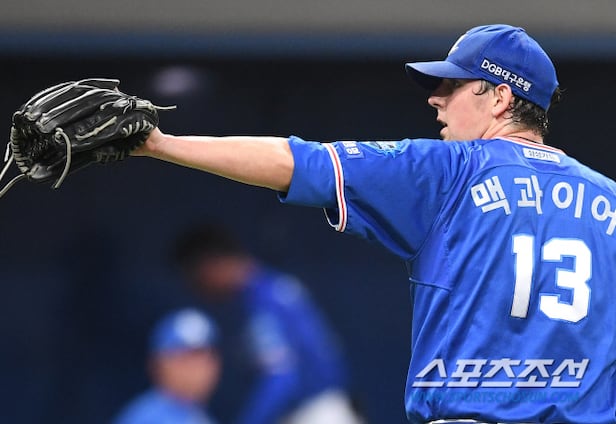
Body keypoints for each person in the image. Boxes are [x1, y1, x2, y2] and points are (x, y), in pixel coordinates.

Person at [129, 24, 616, 423]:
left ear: (500, 97)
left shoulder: (449, 171)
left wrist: (159, 144)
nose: (436, 99)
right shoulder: (608, 198)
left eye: (453, 86)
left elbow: (298, 161)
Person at [173, 223, 363, 424]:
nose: (198, 289)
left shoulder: (261, 299)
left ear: (211, 265)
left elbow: (281, 378)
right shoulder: (266, 288)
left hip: (317, 413)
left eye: (197, 278)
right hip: (324, 408)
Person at [113, 308, 221, 424]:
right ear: (157, 364)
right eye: (184, 359)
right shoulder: (145, 418)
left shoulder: (197, 413)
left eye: (204, 358)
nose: (196, 369)